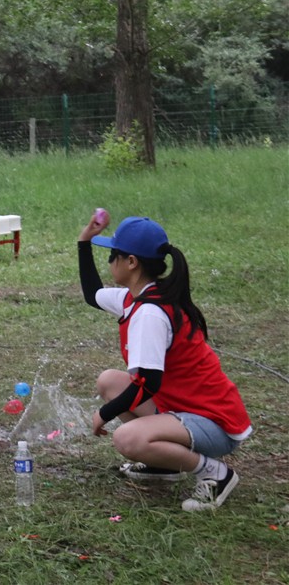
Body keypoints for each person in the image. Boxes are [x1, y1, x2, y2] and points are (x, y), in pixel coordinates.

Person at [77, 214, 252, 511]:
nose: (109, 262)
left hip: (214, 423)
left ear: (131, 262)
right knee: (110, 381)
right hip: (184, 409)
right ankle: (164, 464)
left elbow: (147, 384)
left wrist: (103, 414)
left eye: (112, 255)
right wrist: (84, 242)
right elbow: (93, 295)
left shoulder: (149, 313)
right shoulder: (137, 297)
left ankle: (216, 474)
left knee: (127, 439)